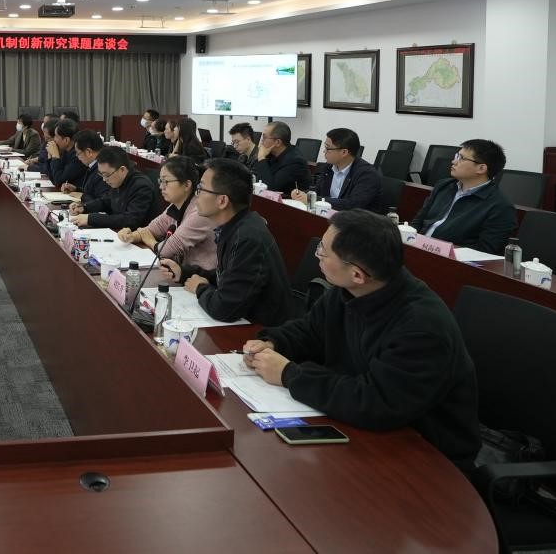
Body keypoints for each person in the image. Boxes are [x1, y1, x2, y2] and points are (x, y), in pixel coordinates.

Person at [243, 210, 480, 467]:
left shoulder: (422, 327)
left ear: (357, 274)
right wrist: (274, 342)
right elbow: (311, 331)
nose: (317, 255)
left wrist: (289, 374)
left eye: (323, 251)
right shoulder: (352, 290)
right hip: (365, 428)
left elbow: (376, 403)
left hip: (426, 453)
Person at [185, 158, 290, 324]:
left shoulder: (247, 238)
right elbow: (228, 276)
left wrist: (200, 288)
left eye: (201, 189)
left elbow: (224, 308)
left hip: (259, 330)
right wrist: (186, 273)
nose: (196, 195)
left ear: (222, 201)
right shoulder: (234, 225)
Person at [117, 156, 217, 283]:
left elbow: (165, 250)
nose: (161, 187)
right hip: (181, 273)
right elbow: (151, 229)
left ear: (187, 185)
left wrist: (149, 240)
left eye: (166, 182)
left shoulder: (200, 212)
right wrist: (130, 236)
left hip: (201, 280)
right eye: (160, 181)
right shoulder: (176, 205)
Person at [409, 139, 517, 254]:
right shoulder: (444, 186)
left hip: (448, 260)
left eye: (461, 158)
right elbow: (418, 221)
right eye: (457, 156)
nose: (454, 161)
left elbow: (484, 251)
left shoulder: (500, 207)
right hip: (416, 248)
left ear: (481, 168)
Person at [291, 128, 382, 212]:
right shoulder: (328, 167)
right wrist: (302, 194)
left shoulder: (367, 174)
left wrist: (313, 199)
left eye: (328, 148)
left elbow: (352, 205)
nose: (324, 151)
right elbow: (317, 191)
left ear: (344, 152)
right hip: (328, 215)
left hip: (357, 221)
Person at [69, 147, 158, 230]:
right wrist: (84, 207)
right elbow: (106, 201)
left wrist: (90, 219)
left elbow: (130, 220)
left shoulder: (141, 186)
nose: (104, 180)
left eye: (106, 175)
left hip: (135, 237)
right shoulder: (118, 179)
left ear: (122, 169)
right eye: (101, 174)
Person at [252, 120, 311, 193]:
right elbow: (254, 175)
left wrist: (261, 158)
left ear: (277, 142)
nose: (261, 141)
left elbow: (269, 187)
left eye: (264, 137)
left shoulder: (295, 162)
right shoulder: (270, 153)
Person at [62, 129, 109, 202]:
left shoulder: (103, 169)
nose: (77, 156)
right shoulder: (94, 165)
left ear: (88, 152)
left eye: (78, 153)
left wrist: (82, 196)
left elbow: (102, 201)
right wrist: (76, 189)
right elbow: (93, 191)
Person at [42, 118, 84, 189]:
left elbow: (58, 181)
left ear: (66, 140)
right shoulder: (65, 151)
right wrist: (50, 156)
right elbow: (50, 176)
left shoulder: (77, 156)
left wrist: (55, 157)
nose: (54, 139)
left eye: (56, 136)